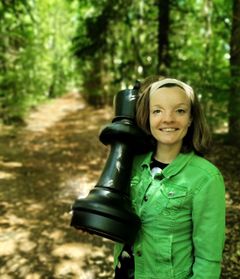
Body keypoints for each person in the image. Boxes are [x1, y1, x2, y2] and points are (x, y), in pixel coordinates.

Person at [113, 76, 226, 279]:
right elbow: (117, 217)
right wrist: (95, 222)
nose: (168, 119)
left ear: (191, 118)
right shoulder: (132, 164)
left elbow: (208, 261)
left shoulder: (207, 178)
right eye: (157, 111)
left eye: (180, 110)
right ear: (147, 117)